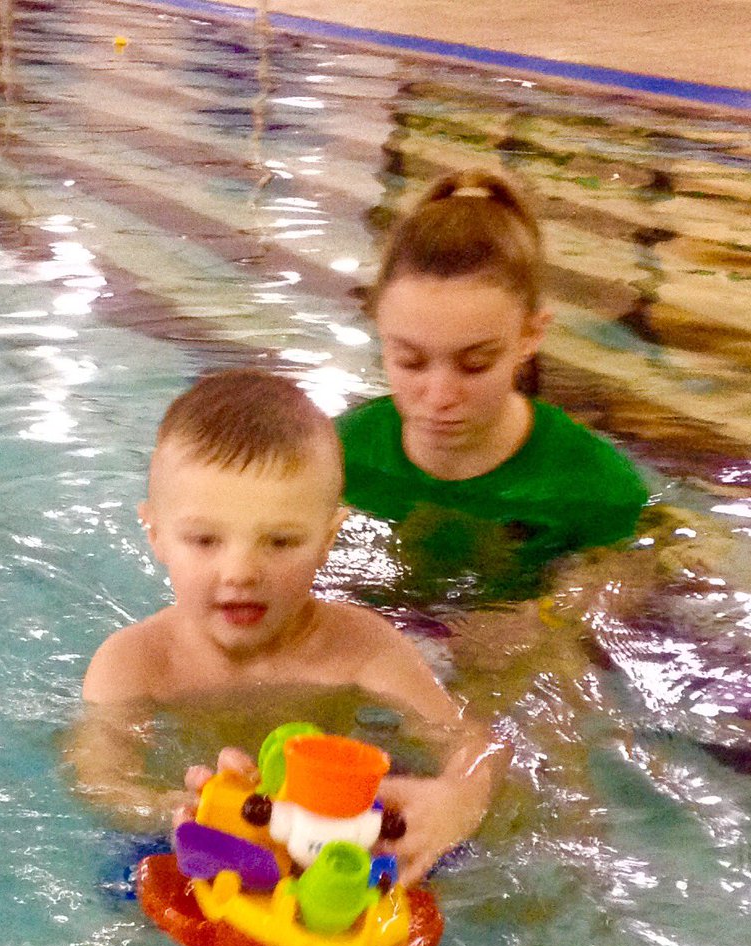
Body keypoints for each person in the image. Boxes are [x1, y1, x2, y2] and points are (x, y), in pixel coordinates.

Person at [71, 367, 508, 885]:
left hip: (334, 829)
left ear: (328, 538)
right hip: (199, 833)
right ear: (156, 533)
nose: (240, 573)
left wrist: (458, 800)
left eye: (280, 542)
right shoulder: (135, 662)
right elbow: (101, 781)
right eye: (205, 541)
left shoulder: (360, 647)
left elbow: (474, 742)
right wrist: (195, 806)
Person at [336, 168, 649, 605]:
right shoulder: (336, 455)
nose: (440, 397)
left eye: (475, 365)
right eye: (410, 361)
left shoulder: (596, 490)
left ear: (530, 336)